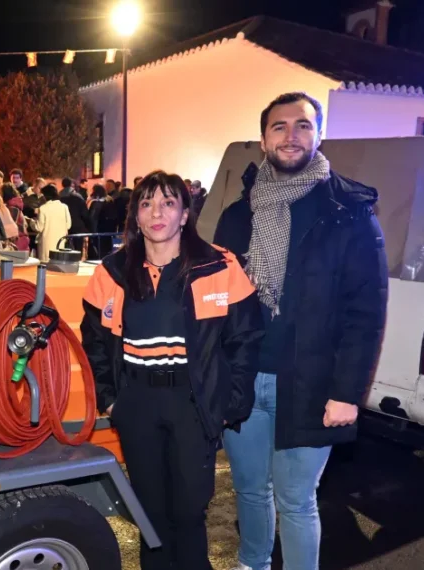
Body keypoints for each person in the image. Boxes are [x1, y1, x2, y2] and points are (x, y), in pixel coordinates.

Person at [213, 92, 388, 570]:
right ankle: (252, 563)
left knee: (295, 500)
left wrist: (347, 392)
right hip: (245, 380)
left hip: (312, 386)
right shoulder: (238, 215)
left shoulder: (349, 212)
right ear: (263, 139)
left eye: (303, 126)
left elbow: (366, 312)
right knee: (249, 490)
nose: (291, 135)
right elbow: (214, 303)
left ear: (319, 134)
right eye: (279, 126)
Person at [81, 170, 263, 570]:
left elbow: (246, 338)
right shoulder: (111, 272)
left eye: (167, 202)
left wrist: (230, 400)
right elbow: (93, 341)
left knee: (189, 510)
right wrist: (111, 399)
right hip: (137, 404)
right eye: (146, 204)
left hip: (192, 404)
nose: (156, 212)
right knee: (151, 512)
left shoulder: (218, 266)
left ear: (184, 214)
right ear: (136, 217)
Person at [33, 184, 70, 262]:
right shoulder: (64, 207)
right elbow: (69, 225)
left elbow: (39, 228)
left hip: (46, 243)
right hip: (60, 242)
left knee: (45, 266)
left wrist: (31, 222)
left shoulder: (43, 208)